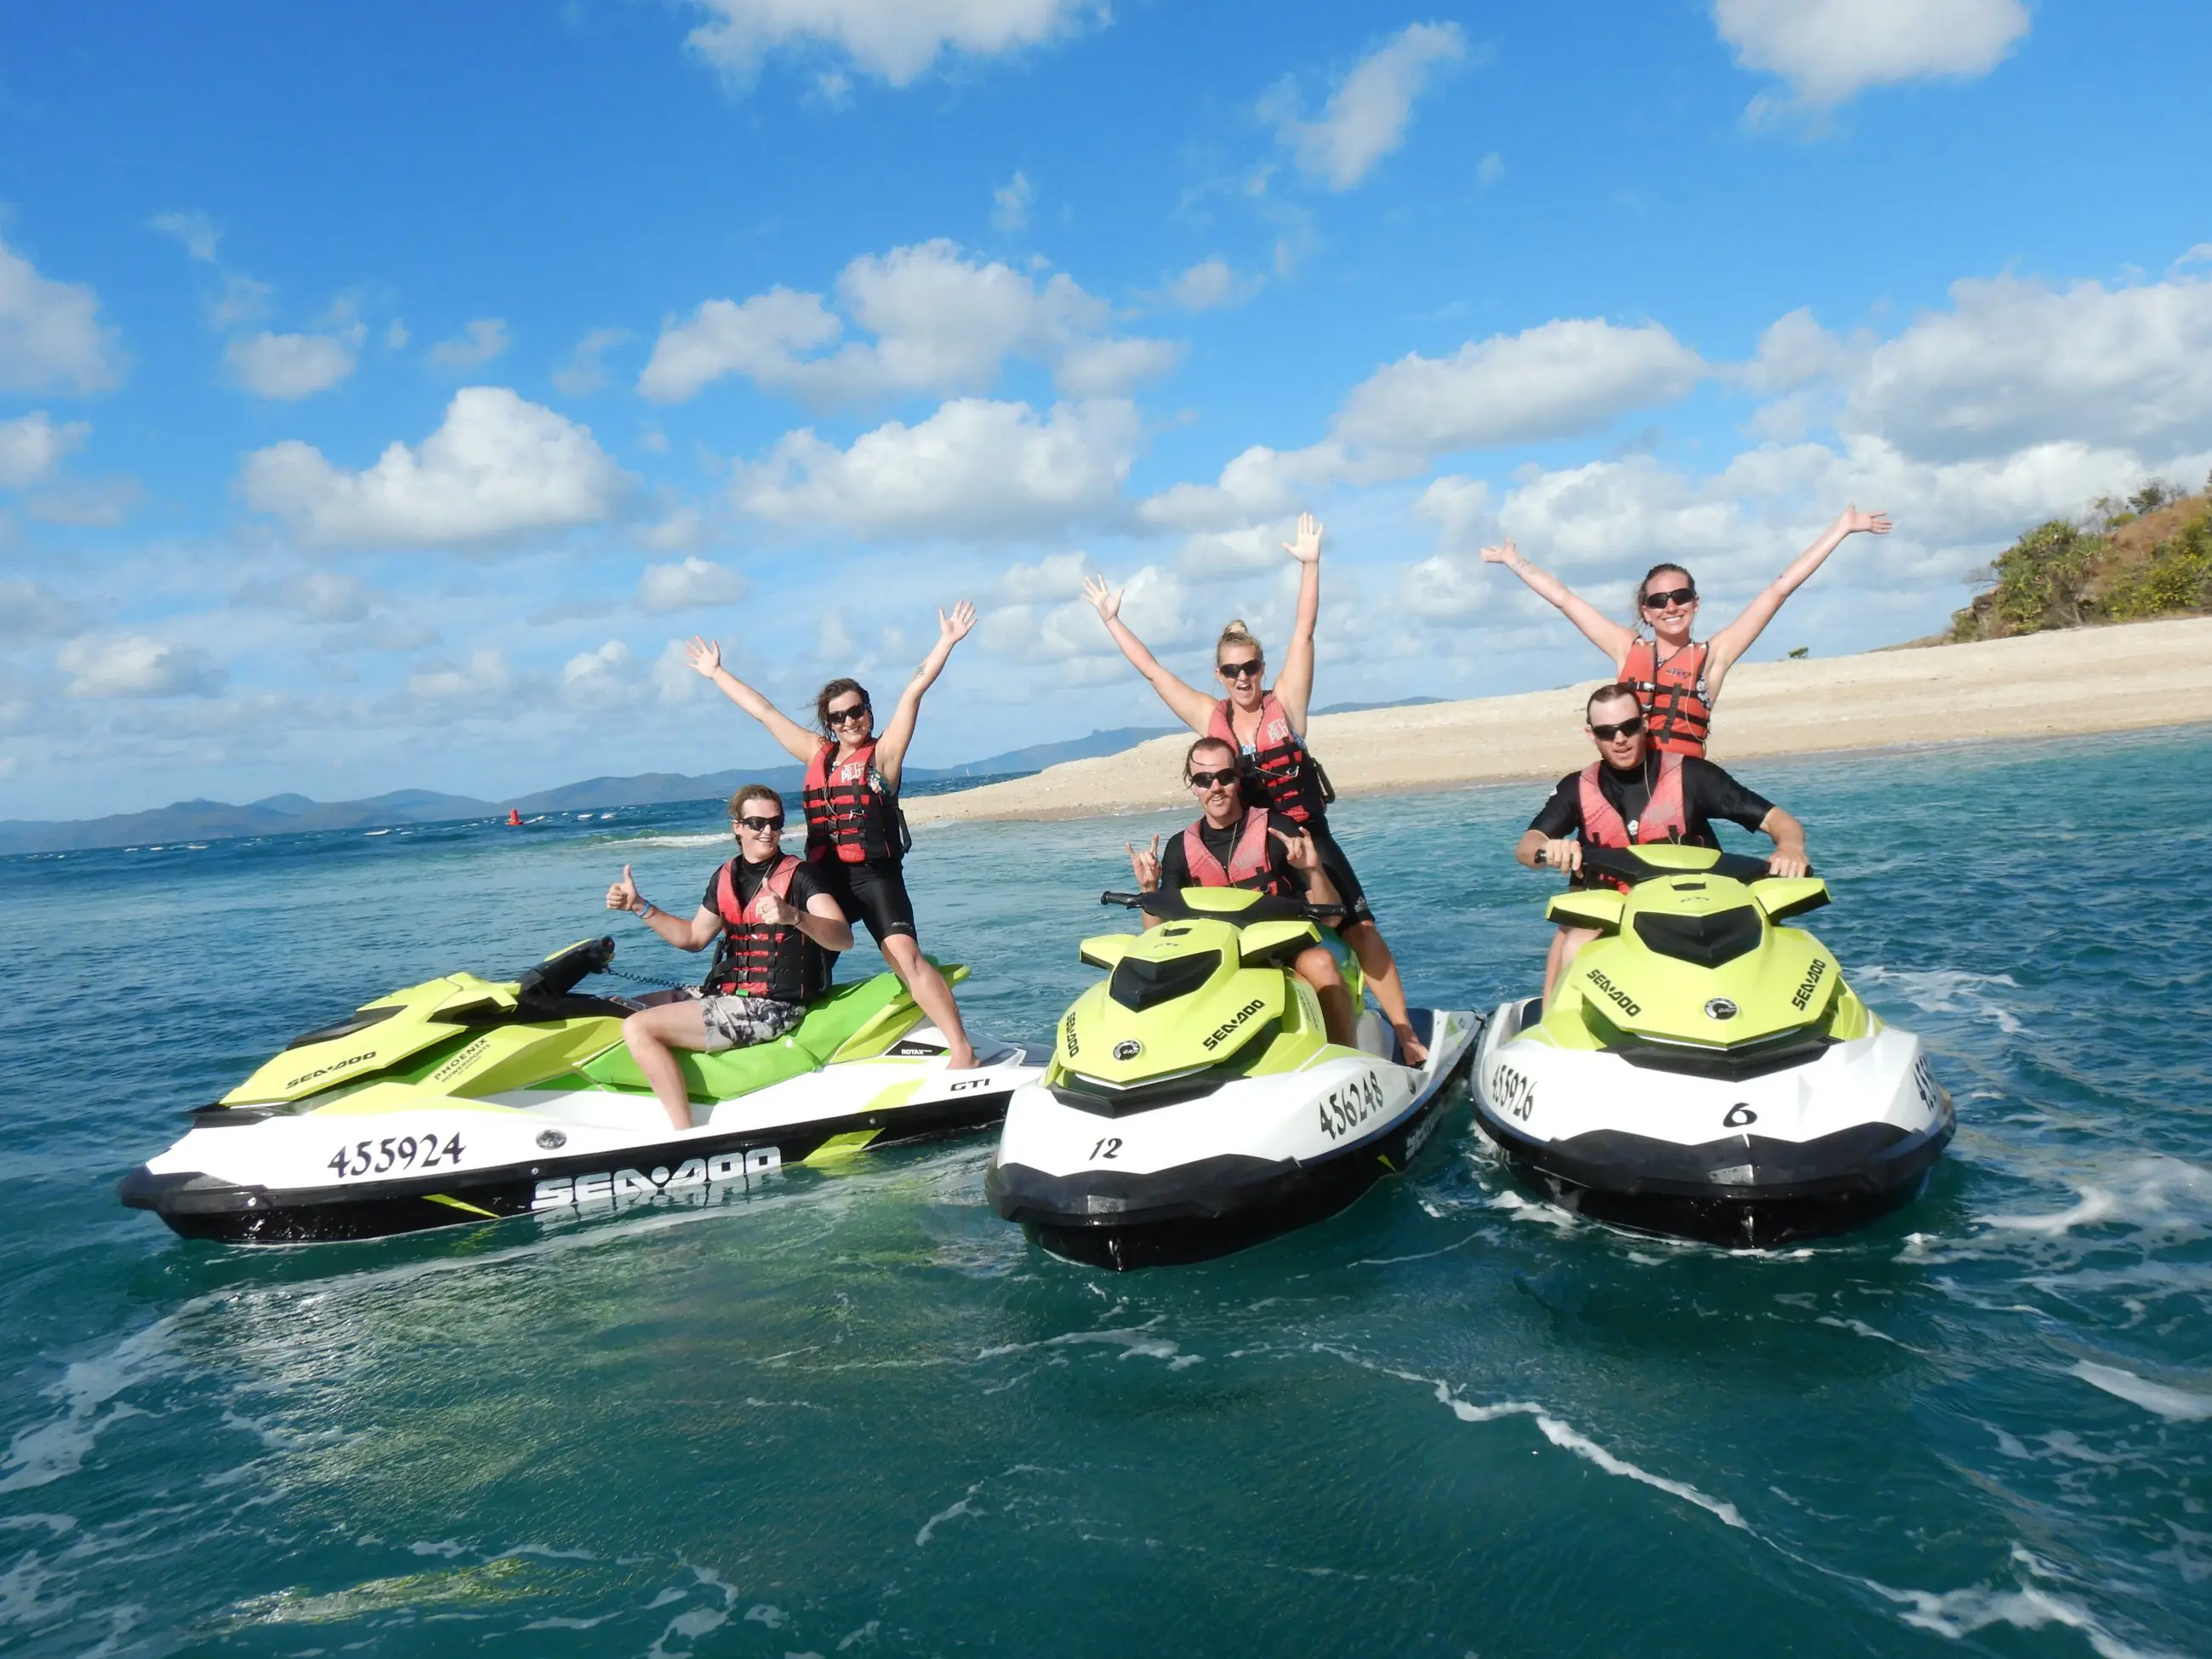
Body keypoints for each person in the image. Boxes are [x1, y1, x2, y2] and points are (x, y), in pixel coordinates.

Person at [1081, 512, 1428, 1062]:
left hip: (1305, 837)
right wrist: (1111, 621)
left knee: (1358, 927)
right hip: (1247, 842)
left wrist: (1312, 566)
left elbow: (1304, 631)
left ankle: (1406, 1033)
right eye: (1232, 670)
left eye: (1251, 667)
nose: (1243, 678)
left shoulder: (1285, 703)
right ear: (1219, 675)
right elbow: (1153, 672)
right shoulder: (1209, 714)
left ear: (1262, 667)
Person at [685, 603, 980, 1068]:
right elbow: (763, 711)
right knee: (791, 968)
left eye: (856, 712)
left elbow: (914, 691)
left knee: (905, 957)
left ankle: (961, 1050)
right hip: (823, 882)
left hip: (873, 877)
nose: (848, 722)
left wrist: (946, 641)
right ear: (828, 724)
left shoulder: (883, 757)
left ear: (867, 711)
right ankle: (776, 1044)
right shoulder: (815, 754)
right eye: (838, 717)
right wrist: (716, 673)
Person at [1480, 506, 1892, 755]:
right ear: (1646, 610)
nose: (1671, 607)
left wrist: (1840, 530)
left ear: (1696, 602)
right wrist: (1514, 561)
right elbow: (1565, 599)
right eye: (1659, 601)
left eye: (1680, 596)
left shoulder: (1714, 656)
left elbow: (1779, 589)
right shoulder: (1626, 648)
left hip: (1687, 786)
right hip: (1630, 785)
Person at [1515, 683, 1809, 1004]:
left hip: (1696, 909)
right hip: (1615, 914)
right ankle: (1559, 1028)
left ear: (1644, 723)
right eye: (1606, 731)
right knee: (1571, 942)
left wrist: (1790, 849)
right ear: (1591, 735)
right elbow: (1528, 847)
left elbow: (1780, 822)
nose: (1619, 739)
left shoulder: (1694, 776)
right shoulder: (1576, 788)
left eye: (1628, 727)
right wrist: (1551, 849)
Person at [604, 784, 854, 1130]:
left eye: (776, 822)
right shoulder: (725, 876)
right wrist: (639, 906)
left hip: (773, 1008)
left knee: (638, 1027)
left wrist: (793, 916)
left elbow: (843, 938)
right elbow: (693, 938)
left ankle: (684, 1133)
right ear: (737, 826)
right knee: (614, 1009)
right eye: (756, 822)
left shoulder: (801, 876)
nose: (767, 831)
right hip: (728, 997)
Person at [1128, 737, 1356, 1046]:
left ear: (1238, 778)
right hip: (1215, 957)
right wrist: (1148, 890)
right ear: (1193, 785)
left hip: (1283, 950)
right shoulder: (1180, 847)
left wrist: (1314, 870)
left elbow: (1330, 920)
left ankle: (1344, 1056)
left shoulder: (1279, 830)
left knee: (1321, 964)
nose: (1215, 787)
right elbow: (1156, 940)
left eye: (1224, 777)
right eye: (1204, 779)